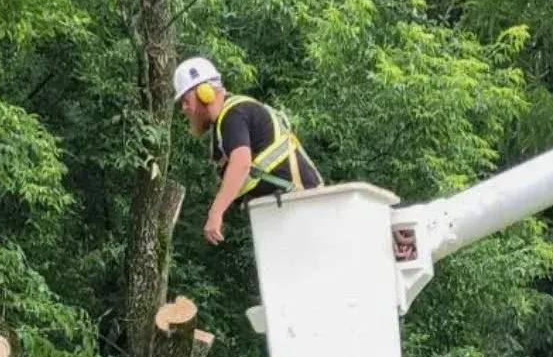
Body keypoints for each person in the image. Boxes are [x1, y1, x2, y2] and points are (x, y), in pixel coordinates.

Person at [172, 56, 415, 259]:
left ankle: (393, 242)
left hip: (299, 201)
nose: (184, 108)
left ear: (205, 92)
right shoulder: (225, 126)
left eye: (186, 100)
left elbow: (242, 163)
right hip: (288, 206)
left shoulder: (233, 114)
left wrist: (216, 213)